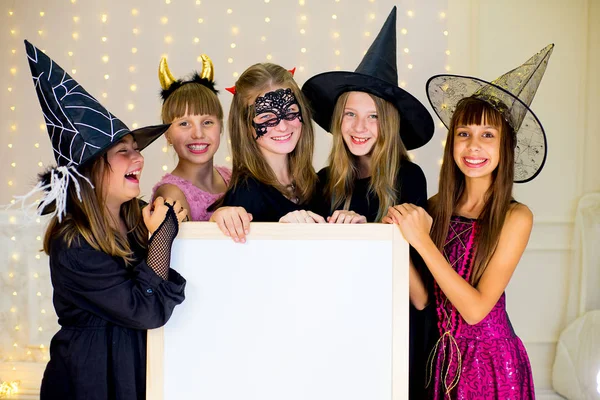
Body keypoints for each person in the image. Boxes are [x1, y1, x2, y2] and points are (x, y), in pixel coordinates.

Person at [20, 40, 187, 400]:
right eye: (123, 152)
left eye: (136, 149)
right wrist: (163, 236)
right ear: (92, 170)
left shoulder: (138, 217)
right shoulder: (73, 243)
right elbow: (145, 310)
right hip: (93, 378)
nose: (138, 159)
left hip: (137, 370)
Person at [386, 44, 554, 399]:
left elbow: (476, 310)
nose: (473, 146)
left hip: (491, 363)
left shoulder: (515, 216)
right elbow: (422, 300)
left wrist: (422, 241)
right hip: (442, 360)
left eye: (487, 135)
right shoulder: (437, 206)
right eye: (464, 134)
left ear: (505, 147)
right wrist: (398, 239)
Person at [302, 8, 436, 398]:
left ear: (389, 123)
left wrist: (375, 236)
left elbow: (421, 296)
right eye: (351, 115)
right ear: (337, 120)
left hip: (396, 327)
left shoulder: (409, 179)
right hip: (340, 327)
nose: (360, 128)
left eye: (373, 117)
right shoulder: (324, 184)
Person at [212, 63, 322, 223]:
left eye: (290, 111)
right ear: (246, 125)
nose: (283, 126)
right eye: (267, 118)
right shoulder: (246, 196)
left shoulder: (319, 184)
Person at [152, 56, 232, 222]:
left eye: (207, 122)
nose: (198, 134)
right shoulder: (172, 195)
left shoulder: (230, 178)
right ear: (167, 134)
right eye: (184, 124)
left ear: (221, 127)